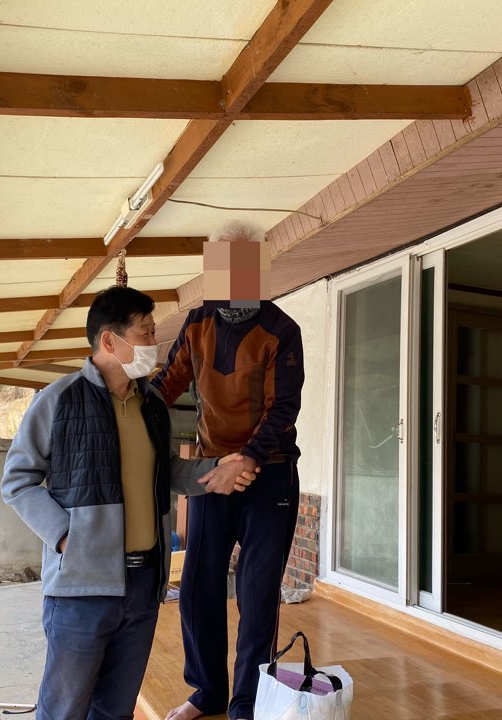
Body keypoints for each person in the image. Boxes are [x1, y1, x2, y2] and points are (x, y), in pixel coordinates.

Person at [1, 285, 257, 720]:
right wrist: (65, 538)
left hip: (143, 585)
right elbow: (17, 481)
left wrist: (216, 472)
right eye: (146, 332)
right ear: (109, 340)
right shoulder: (59, 399)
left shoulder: (152, 404)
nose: (154, 343)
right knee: (64, 710)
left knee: (116, 710)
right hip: (82, 587)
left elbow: (167, 472)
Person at [154, 220, 304, 720]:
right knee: (198, 587)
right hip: (212, 473)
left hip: (271, 473)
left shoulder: (282, 330)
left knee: (257, 596)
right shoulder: (197, 322)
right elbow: (166, 385)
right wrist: (125, 413)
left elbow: (283, 409)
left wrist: (247, 459)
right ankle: (207, 693)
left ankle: (247, 703)